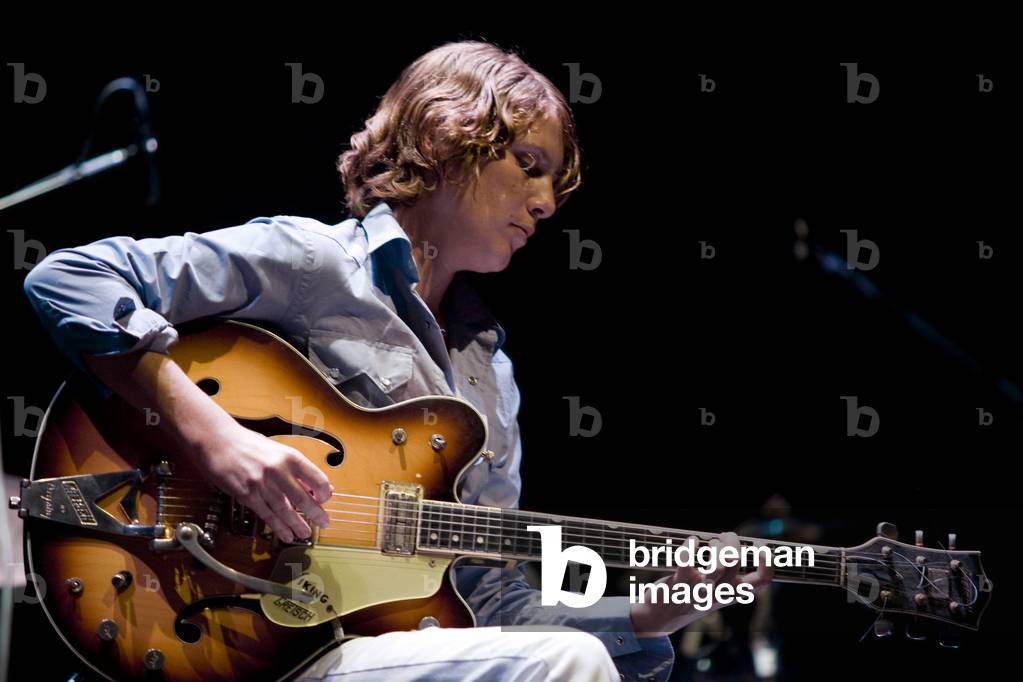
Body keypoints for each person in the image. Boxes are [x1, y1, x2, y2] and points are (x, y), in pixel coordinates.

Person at [23, 40, 769, 681]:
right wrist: (220, 443)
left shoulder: (489, 376)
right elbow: (68, 279)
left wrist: (651, 611)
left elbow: (487, 600)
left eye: (555, 183)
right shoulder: (311, 261)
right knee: (566, 666)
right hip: (236, 633)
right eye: (528, 163)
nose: (546, 201)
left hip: (378, 656)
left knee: (571, 654)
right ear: (450, 136)